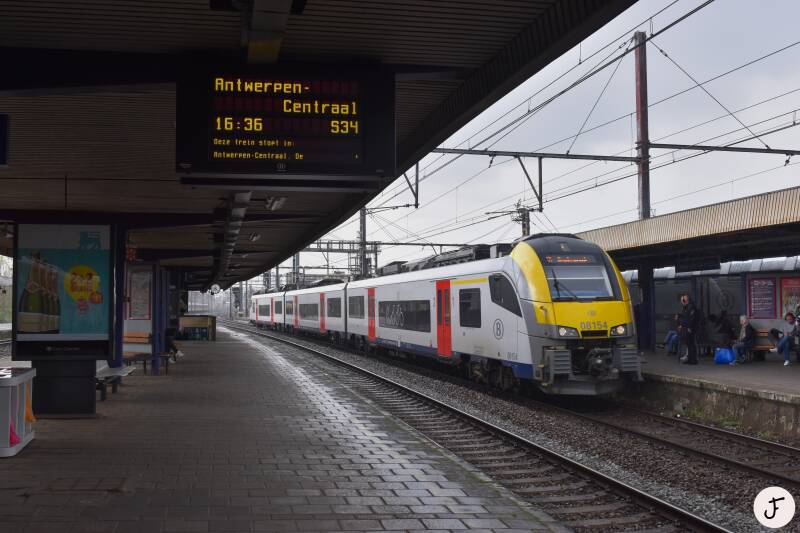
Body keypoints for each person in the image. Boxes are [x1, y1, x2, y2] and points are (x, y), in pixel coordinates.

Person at [678, 293, 700, 365]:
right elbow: (684, 317)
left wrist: (689, 327)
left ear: (686, 300)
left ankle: (693, 360)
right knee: (689, 344)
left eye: (683, 299)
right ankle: (690, 359)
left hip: (690, 328)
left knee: (691, 344)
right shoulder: (686, 307)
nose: (682, 301)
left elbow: (691, 319)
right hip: (687, 328)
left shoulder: (691, 307)